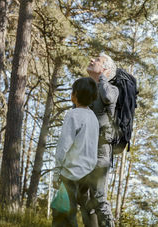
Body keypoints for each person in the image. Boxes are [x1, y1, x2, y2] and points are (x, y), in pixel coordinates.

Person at [52, 77, 99, 227]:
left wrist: (56, 172)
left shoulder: (73, 115)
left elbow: (64, 145)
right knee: (88, 211)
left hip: (70, 173)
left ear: (75, 94)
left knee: (64, 213)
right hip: (89, 173)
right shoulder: (93, 117)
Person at [85, 53, 119, 227]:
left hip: (100, 151)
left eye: (97, 60)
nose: (91, 60)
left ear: (105, 68)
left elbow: (107, 98)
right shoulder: (89, 90)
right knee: (82, 197)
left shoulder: (111, 88)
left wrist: (102, 78)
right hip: (84, 151)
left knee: (98, 198)